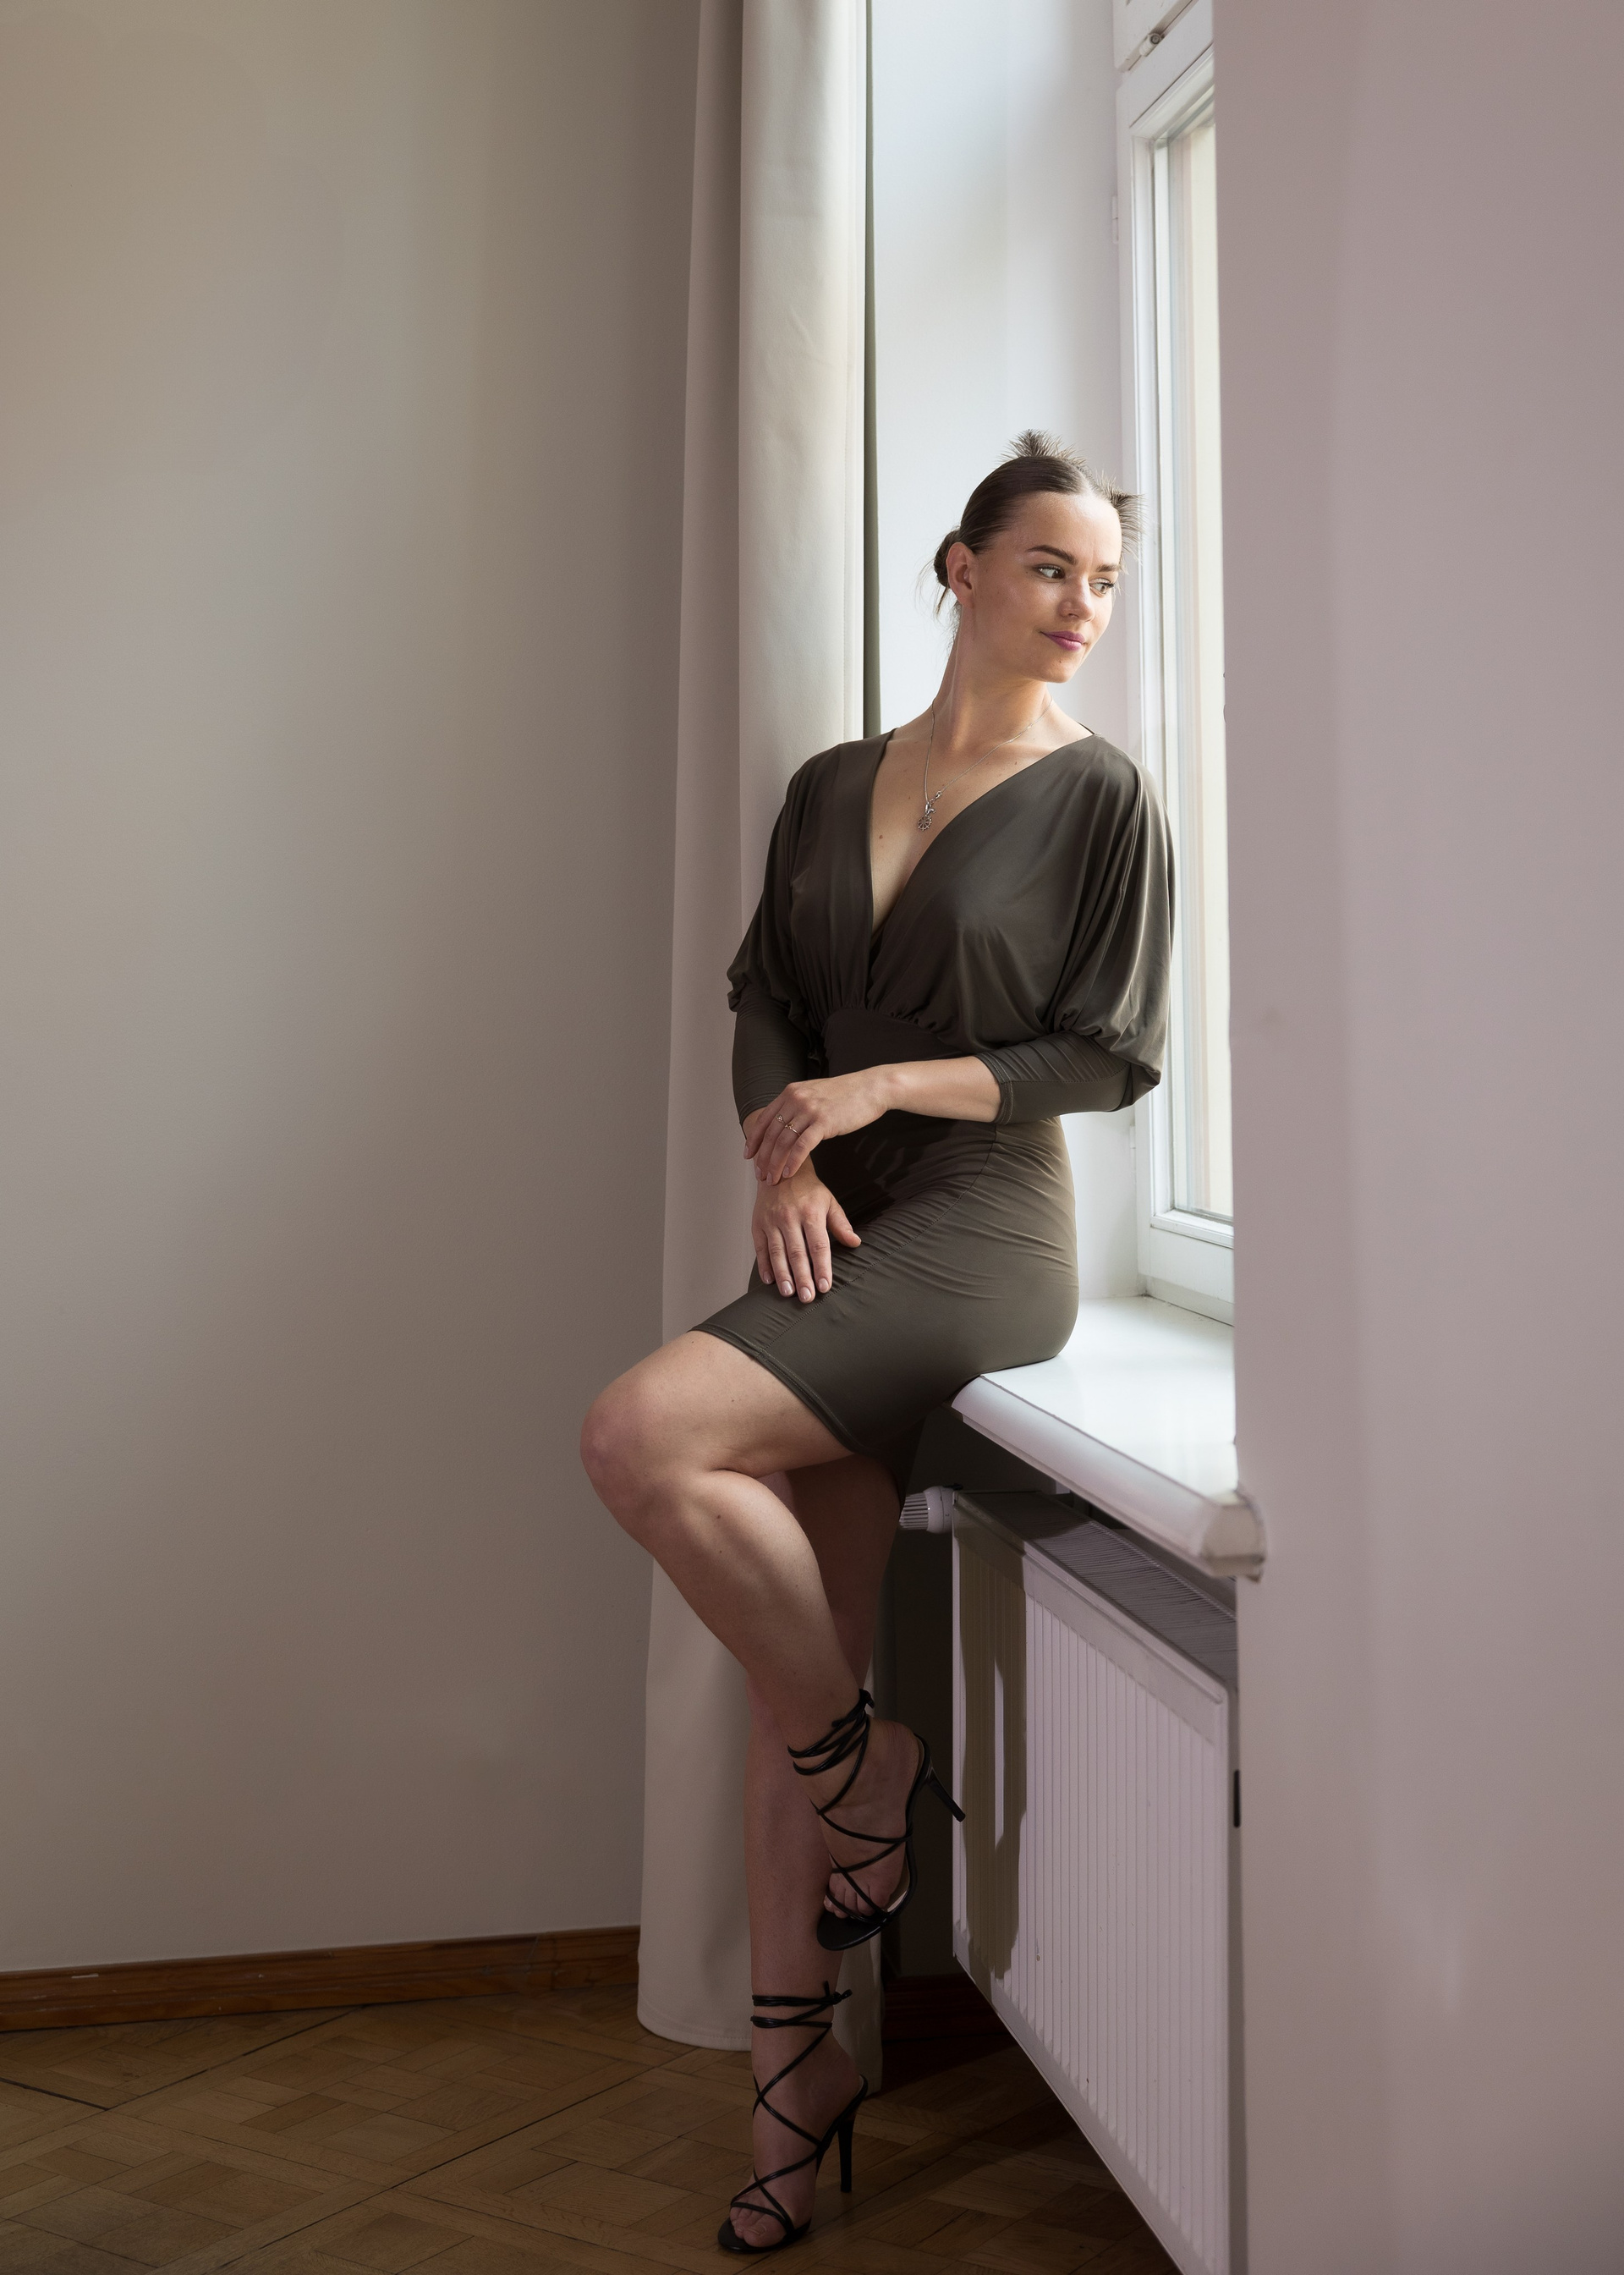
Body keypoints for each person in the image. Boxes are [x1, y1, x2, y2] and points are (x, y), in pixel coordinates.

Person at [582, 431, 1172, 2254]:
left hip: (982, 1231)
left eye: (1105, 580)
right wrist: (786, 1157)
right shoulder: (835, 779)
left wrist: (880, 1089)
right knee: (802, 1664)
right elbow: (765, 991)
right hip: (830, 1222)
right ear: (961, 566)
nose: (1082, 606)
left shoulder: (1105, 800)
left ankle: (871, 1775)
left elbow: (1108, 1056)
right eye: (1052, 566)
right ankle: (794, 2090)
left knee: (640, 1433)